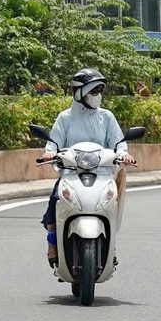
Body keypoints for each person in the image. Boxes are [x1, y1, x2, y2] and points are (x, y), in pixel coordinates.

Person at [40, 68, 133, 266]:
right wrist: (49, 152)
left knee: (111, 202)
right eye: (94, 91)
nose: (98, 96)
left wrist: (124, 153)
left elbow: (118, 143)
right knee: (55, 200)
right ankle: (52, 243)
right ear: (80, 93)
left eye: (100, 91)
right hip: (72, 173)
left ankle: (111, 244)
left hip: (102, 173)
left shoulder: (107, 117)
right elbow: (54, 143)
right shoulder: (65, 118)